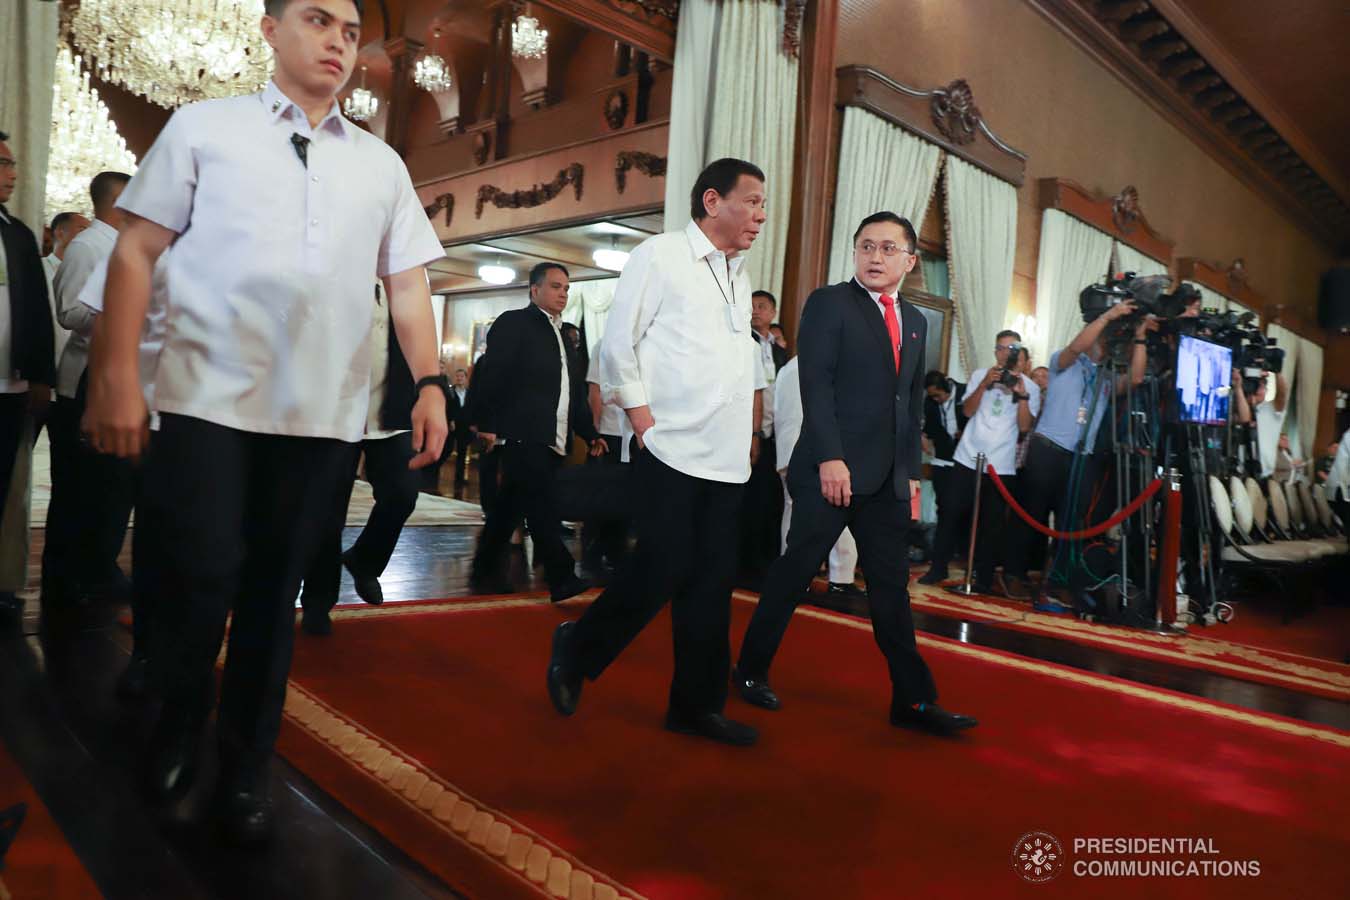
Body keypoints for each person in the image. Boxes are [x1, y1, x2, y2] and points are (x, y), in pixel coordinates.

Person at [83, 0, 447, 844]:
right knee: (198, 577)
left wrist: (430, 380)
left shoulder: (381, 164)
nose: (338, 43)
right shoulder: (205, 128)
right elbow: (136, 250)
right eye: (319, 21)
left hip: (324, 416)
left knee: (270, 599)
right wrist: (114, 375)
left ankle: (246, 764)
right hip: (208, 399)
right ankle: (178, 723)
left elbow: (409, 283)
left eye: (352, 32)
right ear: (271, 30)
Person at [546, 158, 769, 746]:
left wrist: (747, 431)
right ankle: (578, 647)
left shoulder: (739, 273)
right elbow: (620, 343)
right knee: (663, 566)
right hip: (670, 446)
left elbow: (738, 361)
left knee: (713, 581)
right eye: (753, 201)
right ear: (713, 201)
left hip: (724, 458)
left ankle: (696, 707)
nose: (761, 215)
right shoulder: (661, 255)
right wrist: (643, 420)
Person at [733, 211, 978, 737]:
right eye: (867, 246)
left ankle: (913, 701)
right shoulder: (830, 303)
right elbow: (815, 385)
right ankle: (750, 671)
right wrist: (829, 458)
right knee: (794, 574)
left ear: (910, 261)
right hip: (830, 471)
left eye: (889, 249)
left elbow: (909, 403)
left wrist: (909, 472)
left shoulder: (914, 321)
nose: (875, 256)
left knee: (891, 590)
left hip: (887, 480)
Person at [1001, 299, 1152, 607]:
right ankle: (1013, 573)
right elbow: (1076, 346)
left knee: (1072, 524)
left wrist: (1139, 335)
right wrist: (1108, 316)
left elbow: (1135, 379)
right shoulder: (1064, 362)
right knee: (1032, 516)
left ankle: (1058, 581)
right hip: (1047, 450)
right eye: (1105, 337)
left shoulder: (1107, 378)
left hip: (1080, 458)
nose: (1108, 344)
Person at [469, 263, 603, 600]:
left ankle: (483, 567)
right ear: (535, 290)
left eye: (567, 289)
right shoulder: (515, 322)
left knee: (509, 507)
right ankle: (561, 576)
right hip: (521, 431)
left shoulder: (562, 334)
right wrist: (487, 424)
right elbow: (493, 375)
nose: (563, 294)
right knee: (540, 503)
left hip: (552, 435)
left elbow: (571, 391)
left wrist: (589, 432)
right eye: (556, 287)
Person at [301, 285, 424, 633]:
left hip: (391, 413)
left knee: (402, 493)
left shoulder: (406, 280)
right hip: (337, 412)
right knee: (328, 514)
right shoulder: (339, 265)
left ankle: (364, 560)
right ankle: (317, 603)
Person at [44, 172, 134, 614]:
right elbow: (70, 312)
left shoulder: (127, 246)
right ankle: (66, 581)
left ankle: (100, 569)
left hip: (120, 380)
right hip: (83, 383)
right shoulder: (87, 246)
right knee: (79, 489)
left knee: (113, 489)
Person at [919, 331, 1040, 592]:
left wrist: (1022, 395)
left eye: (1012, 349)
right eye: (1001, 348)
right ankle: (937, 567)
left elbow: (1024, 426)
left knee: (992, 523)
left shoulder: (1029, 387)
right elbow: (967, 411)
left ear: (1020, 354)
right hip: (966, 458)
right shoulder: (979, 376)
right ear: (995, 351)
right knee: (950, 513)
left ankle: (983, 577)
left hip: (1001, 465)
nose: (1006, 353)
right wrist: (985, 383)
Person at [0, 130, 56, 625]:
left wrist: (41, 376)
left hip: (8, 386)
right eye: (3, 164)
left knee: (3, 488)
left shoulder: (17, 234)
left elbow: (37, 310)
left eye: (14, 164)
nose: (13, 174)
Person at [773, 354, 860, 599]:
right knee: (838, 509)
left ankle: (792, 578)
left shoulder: (788, 368)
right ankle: (841, 579)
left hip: (789, 450)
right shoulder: (822, 366)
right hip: (815, 452)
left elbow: (775, 410)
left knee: (793, 517)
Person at [920, 370, 967, 547]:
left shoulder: (965, 392)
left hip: (964, 458)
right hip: (941, 457)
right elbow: (929, 429)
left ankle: (959, 546)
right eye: (932, 396)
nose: (936, 400)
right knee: (942, 503)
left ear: (946, 388)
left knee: (960, 506)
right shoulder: (930, 402)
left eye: (938, 395)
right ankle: (941, 547)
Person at [42, 212, 89, 364]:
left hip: (77, 358)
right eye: (82, 229)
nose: (89, 236)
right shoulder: (38, 268)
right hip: (45, 356)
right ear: (60, 233)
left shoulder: (91, 273)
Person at [443, 366, 472, 495]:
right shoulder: (450, 392)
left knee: (462, 451)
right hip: (452, 424)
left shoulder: (470, 393)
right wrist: (451, 420)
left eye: (462, 376)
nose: (460, 378)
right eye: (458, 376)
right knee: (447, 449)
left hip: (465, 426)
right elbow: (447, 408)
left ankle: (459, 478)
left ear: (466, 378)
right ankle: (433, 471)